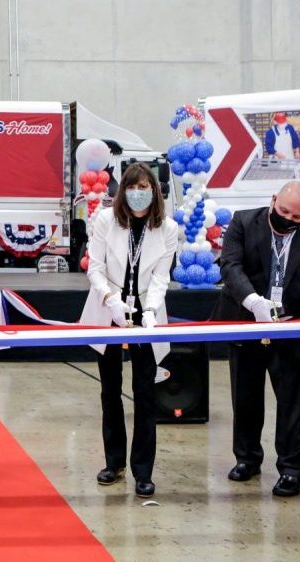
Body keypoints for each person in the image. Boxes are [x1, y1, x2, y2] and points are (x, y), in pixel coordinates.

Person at [216, 181, 300, 497]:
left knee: (293, 404)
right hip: (247, 325)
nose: (288, 219)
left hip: (291, 332)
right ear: (273, 200)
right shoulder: (242, 222)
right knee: (246, 398)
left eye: (297, 217)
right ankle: (247, 458)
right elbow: (230, 266)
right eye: (283, 211)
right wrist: (253, 300)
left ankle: (293, 469)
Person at [78, 163, 177, 498]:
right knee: (110, 391)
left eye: (145, 186)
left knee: (146, 395)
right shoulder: (105, 220)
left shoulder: (168, 228)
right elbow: (95, 267)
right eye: (133, 186)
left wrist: (149, 310)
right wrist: (110, 300)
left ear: (154, 191)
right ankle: (114, 462)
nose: (139, 192)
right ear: (123, 190)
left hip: (147, 312)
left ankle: (143, 470)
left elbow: (163, 275)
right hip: (109, 311)